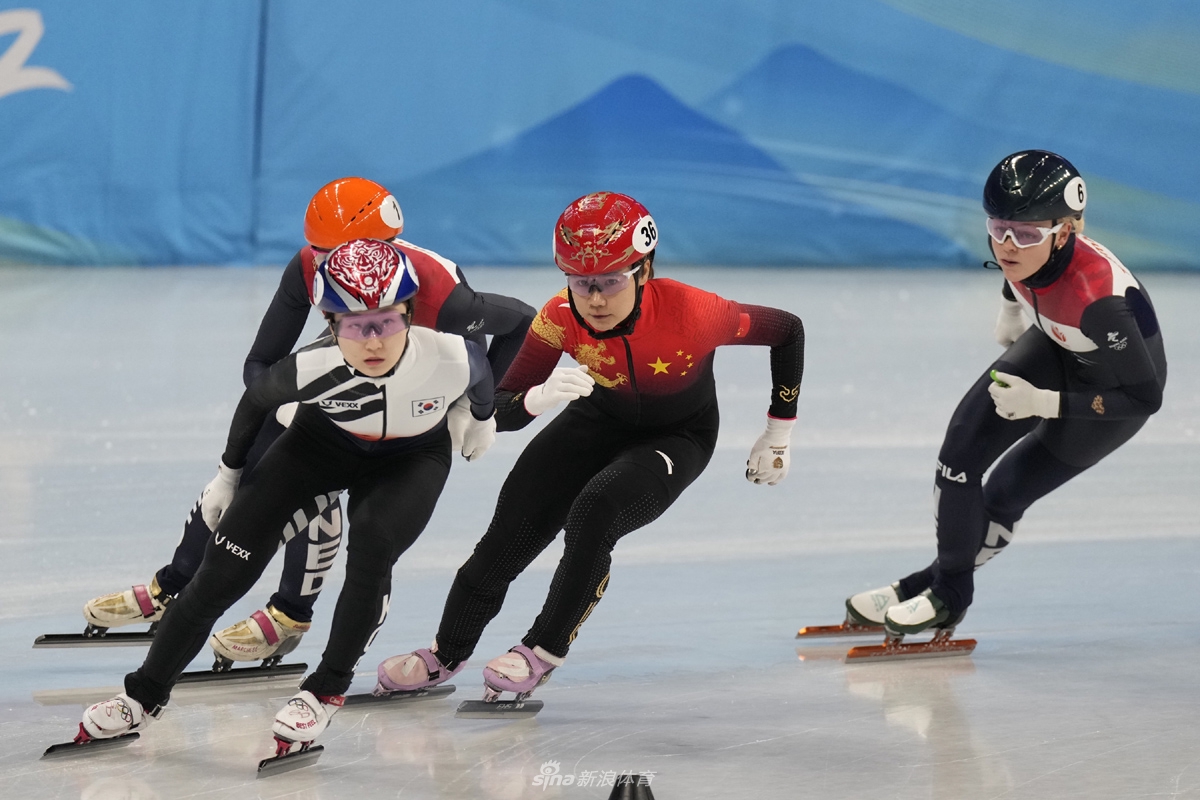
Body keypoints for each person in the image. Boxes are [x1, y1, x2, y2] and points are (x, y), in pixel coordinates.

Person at [81, 177, 536, 666]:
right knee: (261, 456)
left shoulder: (443, 295)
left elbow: (520, 322)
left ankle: (289, 614)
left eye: (342, 254)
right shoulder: (307, 267)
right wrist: (290, 408)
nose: (334, 271)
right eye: (322, 256)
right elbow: (260, 365)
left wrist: (472, 408)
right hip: (354, 371)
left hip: (414, 401)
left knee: (352, 515)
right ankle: (179, 583)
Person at [373, 191, 806, 701]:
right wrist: (532, 399)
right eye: (581, 282)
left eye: (609, 281)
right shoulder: (558, 317)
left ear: (643, 271)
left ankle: (542, 649)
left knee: (596, 511)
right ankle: (446, 652)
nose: (595, 298)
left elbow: (788, 330)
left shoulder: (696, 312)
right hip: (596, 418)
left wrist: (779, 430)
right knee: (512, 524)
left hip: (677, 435)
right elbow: (500, 408)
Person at [77, 238, 497, 754]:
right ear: (328, 319)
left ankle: (323, 691)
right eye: (352, 323)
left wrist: (480, 416)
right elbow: (255, 401)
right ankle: (141, 695)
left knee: (371, 548)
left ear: (409, 313)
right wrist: (228, 474)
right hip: (319, 445)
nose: (371, 340)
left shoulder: (451, 356)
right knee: (221, 570)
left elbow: (482, 374)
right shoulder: (311, 365)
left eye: (385, 321)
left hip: (411, 460)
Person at [844, 150, 1166, 637]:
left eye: (1026, 234)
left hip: (1110, 397)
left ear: (1066, 232)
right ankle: (945, 588)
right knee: (958, 454)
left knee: (1003, 493)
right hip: (1059, 347)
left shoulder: (1101, 302)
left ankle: (938, 589)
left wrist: (1046, 405)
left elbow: (1146, 398)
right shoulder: (1028, 252)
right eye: (997, 229)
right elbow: (1017, 272)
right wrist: (1012, 312)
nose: (1008, 246)